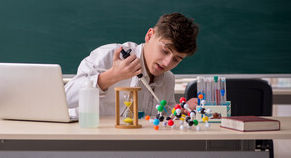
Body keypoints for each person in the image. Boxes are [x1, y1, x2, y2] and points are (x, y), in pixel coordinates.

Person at [65, 13, 199, 116]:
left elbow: (166, 115)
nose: (167, 63)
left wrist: (181, 111)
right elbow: (65, 99)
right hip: (88, 143)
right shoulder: (109, 55)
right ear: (149, 36)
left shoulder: (168, 79)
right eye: (165, 51)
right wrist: (112, 75)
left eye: (176, 60)